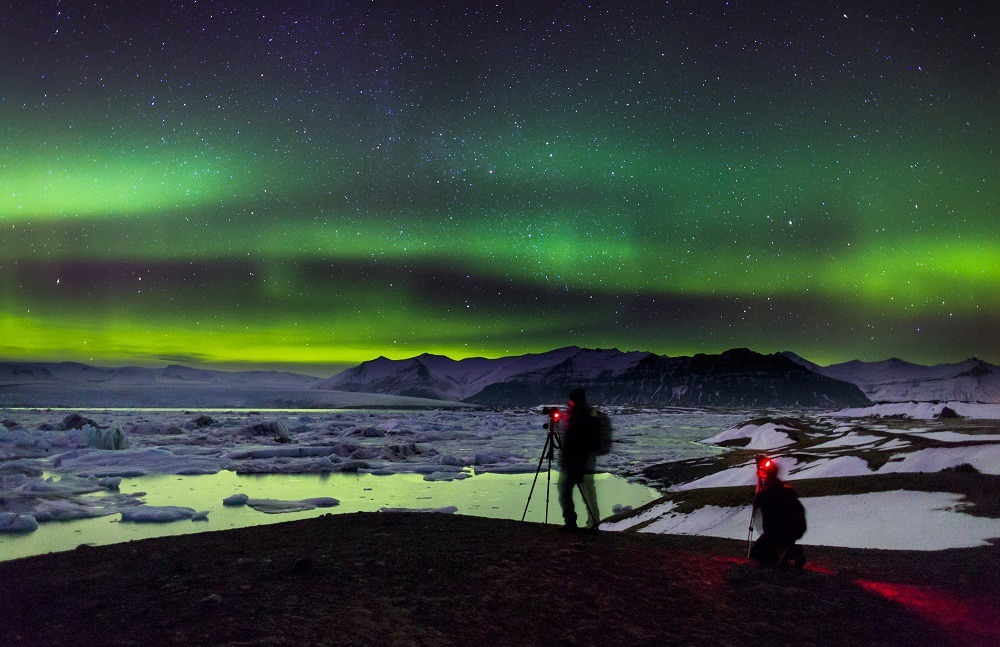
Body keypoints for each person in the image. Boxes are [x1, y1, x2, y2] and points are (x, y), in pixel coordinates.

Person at [749, 457, 807, 567]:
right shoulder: (787, 492)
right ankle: (789, 550)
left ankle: (786, 553)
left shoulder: (765, 494)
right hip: (793, 533)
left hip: (774, 534)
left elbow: (758, 505)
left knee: (757, 556)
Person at [557, 388, 600, 531]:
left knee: (565, 490)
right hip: (585, 461)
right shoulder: (587, 414)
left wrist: (569, 460)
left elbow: (573, 442)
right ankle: (593, 524)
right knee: (588, 493)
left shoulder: (577, 416)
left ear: (572, 400)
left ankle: (571, 522)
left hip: (575, 462)